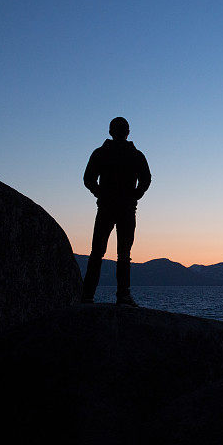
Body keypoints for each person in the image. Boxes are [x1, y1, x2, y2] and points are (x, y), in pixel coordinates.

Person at [81, 117, 151, 305]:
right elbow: (88, 179)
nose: (121, 131)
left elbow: (146, 178)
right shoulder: (108, 154)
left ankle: (106, 295)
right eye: (120, 128)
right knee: (106, 253)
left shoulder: (128, 155)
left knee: (111, 253)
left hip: (119, 208)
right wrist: (103, 194)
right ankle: (98, 295)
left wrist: (136, 194)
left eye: (123, 128)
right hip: (112, 207)